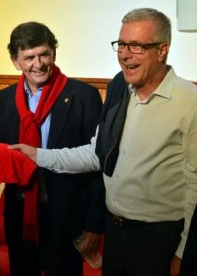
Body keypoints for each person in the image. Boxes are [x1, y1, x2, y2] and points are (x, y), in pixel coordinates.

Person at [10, 8, 197, 276]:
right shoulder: (120, 87)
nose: (124, 54)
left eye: (136, 46)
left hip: (160, 237)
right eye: (121, 44)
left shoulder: (190, 102)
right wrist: (38, 155)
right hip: (116, 234)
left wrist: (184, 252)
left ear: (162, 50)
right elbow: (97, 154)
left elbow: (196, 189)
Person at [0, 22, 105, 276]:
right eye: (29, 57)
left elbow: (98, 165)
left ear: (54, 53)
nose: (39, 63)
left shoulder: (83, 96)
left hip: (67, 218)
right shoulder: (4, 99)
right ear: (15, 61)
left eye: (44, 54)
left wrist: (93, 224)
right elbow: (6, 156)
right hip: (20, 215)